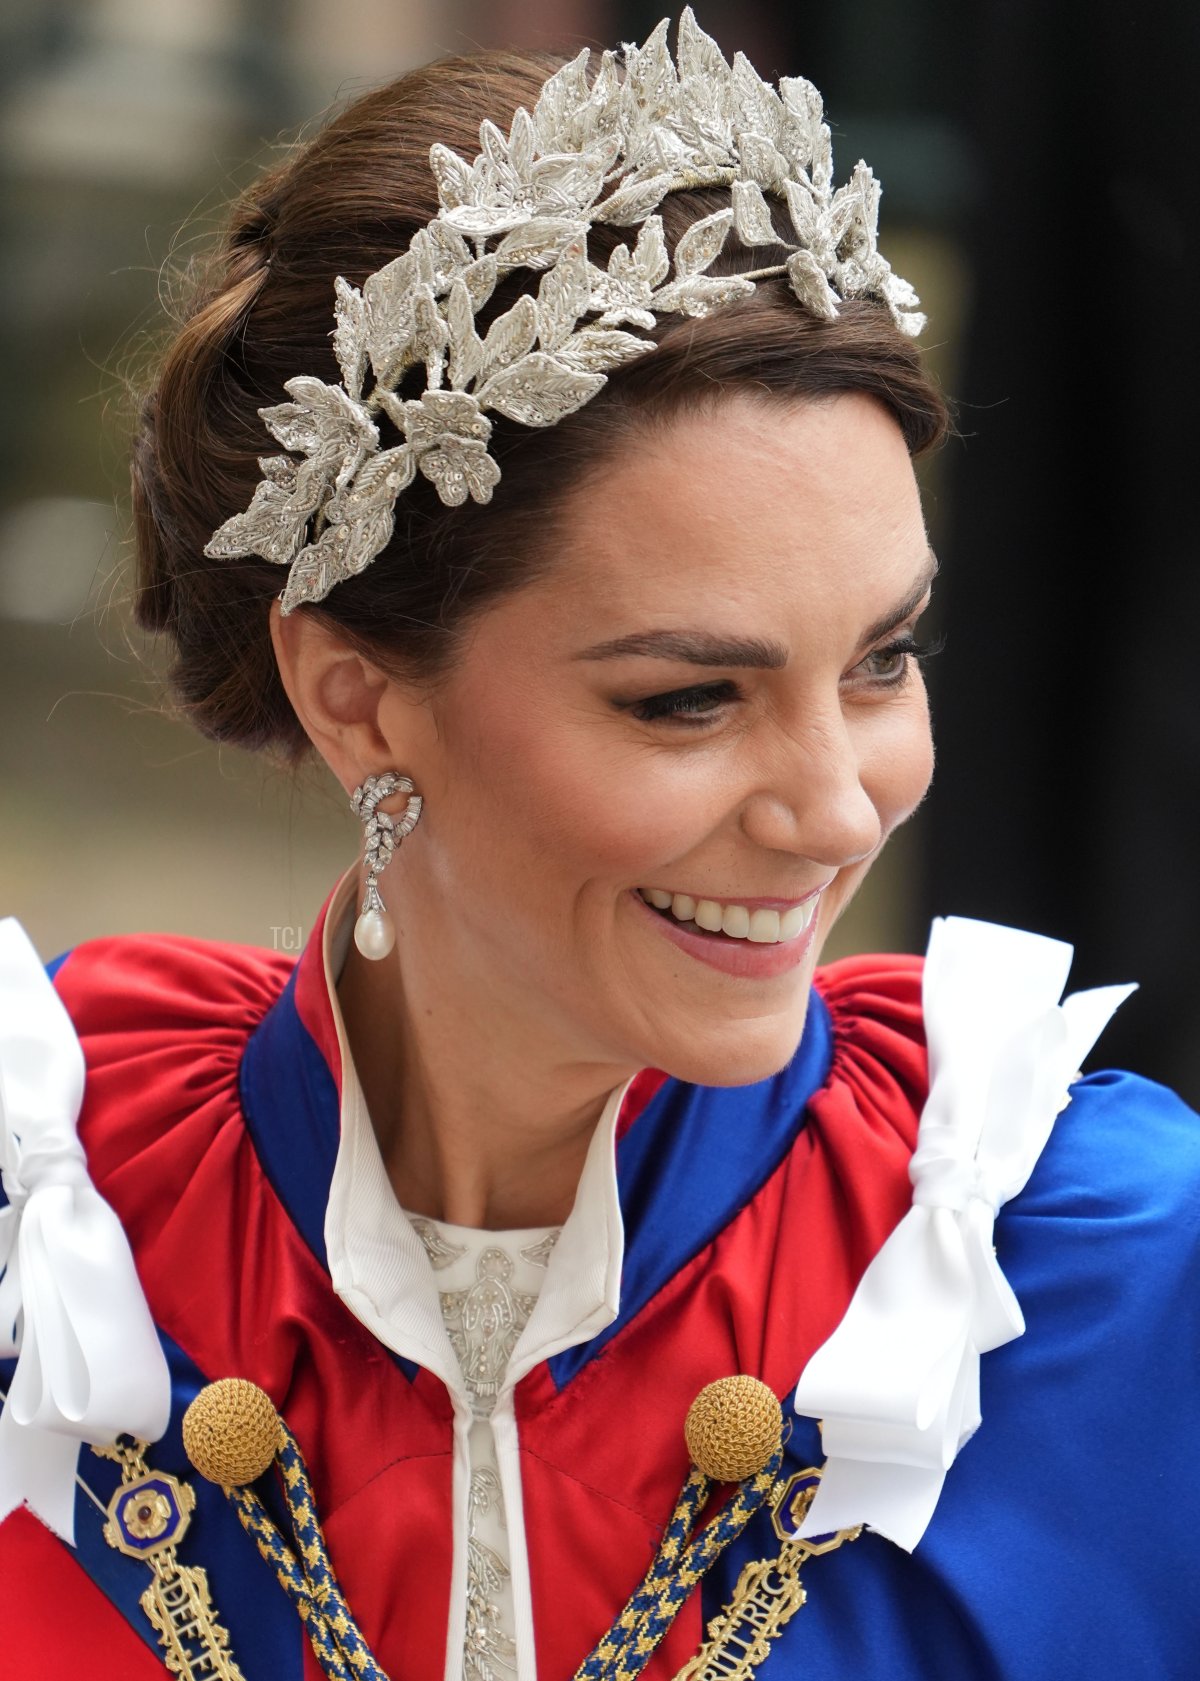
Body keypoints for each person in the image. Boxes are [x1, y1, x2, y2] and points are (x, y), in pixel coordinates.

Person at [1, 12, 1197, 1680]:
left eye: (883, 661)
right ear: (355, 696)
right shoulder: (49, 1227)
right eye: (691, 699)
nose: (839, 808)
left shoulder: (1087, 1271)